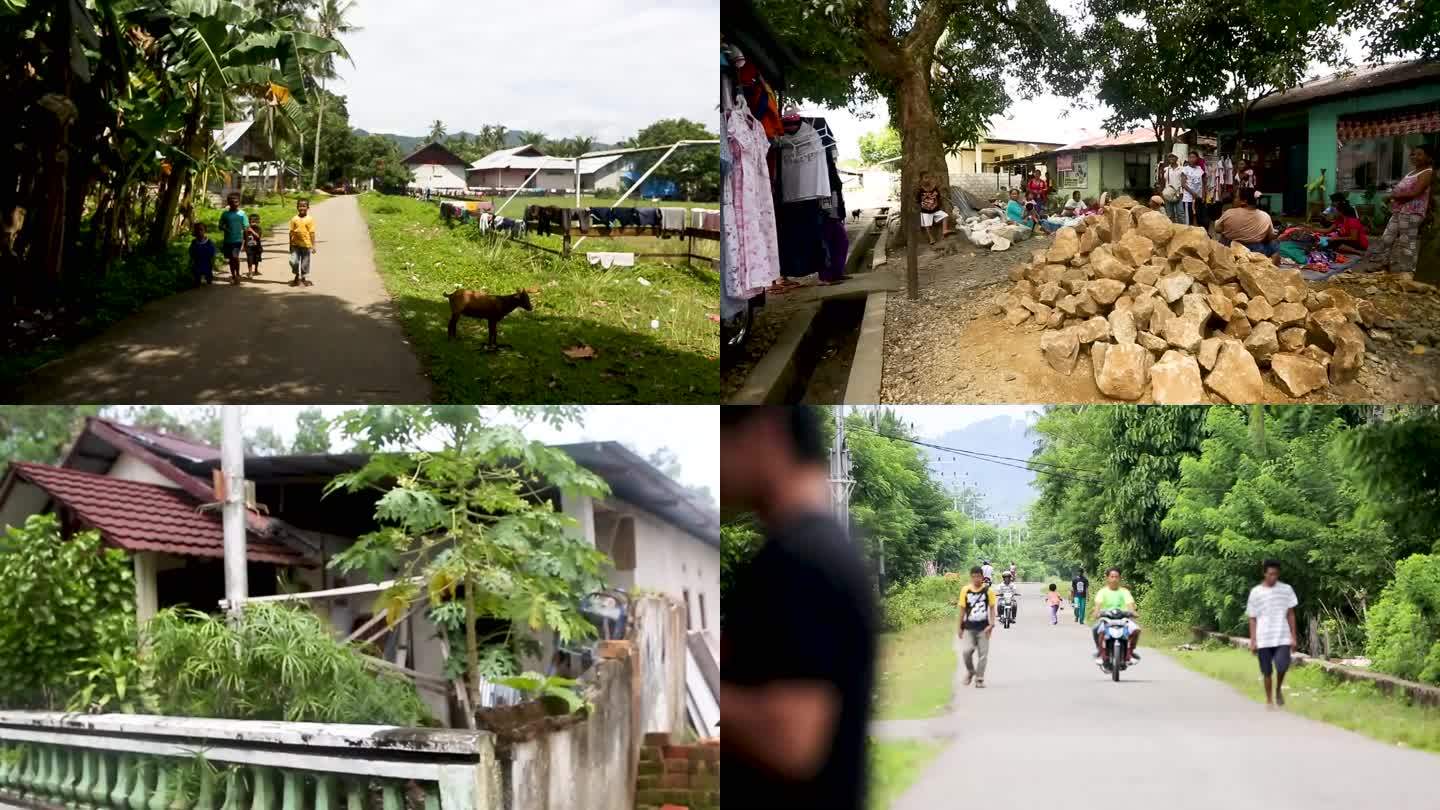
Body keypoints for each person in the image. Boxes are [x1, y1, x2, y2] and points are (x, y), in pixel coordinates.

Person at [720, 406, 877, 810]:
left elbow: (791, 739)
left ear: (763, 431)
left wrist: (710, 692)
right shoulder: (822, 545)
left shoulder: (801, 557)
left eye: (723, 434)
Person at [1359, 143, 1433, 274]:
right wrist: (1394, 197)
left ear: (1429, 157)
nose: (1415, 157)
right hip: (1400, 211)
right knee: (1387, 238)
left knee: (1406, 242)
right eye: (1414, 154)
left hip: (1412, 212)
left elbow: (1416, 192)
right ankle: (1384, 264)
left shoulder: (1427, 172)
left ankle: (1408, 271)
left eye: (1419, 154)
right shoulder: (1412, 172)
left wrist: (1392, 196)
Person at [1247, 560, 1298, 709]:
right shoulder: (1256, 592)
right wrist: (1253, 640)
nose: (1273, 577)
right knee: (1267, 671)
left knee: (1282, 666)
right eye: (1270, 574)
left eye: (1276, 574)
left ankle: (1278, 690)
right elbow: (1252, 618)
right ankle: (1269, 699)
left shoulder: (1286, 590)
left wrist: (1293, 637)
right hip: (1263, 638)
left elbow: (1291, 614)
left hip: (1282, 636)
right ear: (1264, 573)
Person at [958, 566, 997, 688]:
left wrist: (991, 624)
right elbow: (962, 610)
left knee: (983, 655)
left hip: (983, 628)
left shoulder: (988, 591)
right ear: (971, 577)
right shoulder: (965, 590)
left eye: (978, 576)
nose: (976, 579)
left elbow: (992, 608)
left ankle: (979, 679)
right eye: (973, 576)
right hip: (969, 628)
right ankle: (970, 671)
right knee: (966, 652)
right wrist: (959, 627)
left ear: (982, 577)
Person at [1092, 567, 1140, 663]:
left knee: (1136, 630)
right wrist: (1096, 613)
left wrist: (1133, 612)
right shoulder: (1102, 592)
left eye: (1116, 577)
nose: (1114, 579)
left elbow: (1130, 605)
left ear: (1120, 578)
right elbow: (1097, 606)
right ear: (1107, 578)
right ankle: (1101, 652)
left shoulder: (1125, 592)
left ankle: (1130, 652)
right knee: (1096, 629)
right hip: (1106, 619)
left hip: (1123, 618)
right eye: (1112, 576)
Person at [1214, 190, 1274, 255]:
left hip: (1231, 250)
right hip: (1256, 252)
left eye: (1236, 197)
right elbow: (1270, 236)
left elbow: (1217, 229)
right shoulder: (1266, 216)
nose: (1233, 200)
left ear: (1244, 202)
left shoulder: (1229, 213)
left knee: (1222, 238)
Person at [217, 192, 248, 285]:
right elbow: (220, 226)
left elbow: (246, 227)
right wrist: (225, 228)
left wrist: (245, 241)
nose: (234, 204)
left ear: (239, 202)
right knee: (231, 259)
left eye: (236, 202)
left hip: (238, 240)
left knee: (235, 257)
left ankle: (237, 274)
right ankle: (233, 275)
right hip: (228, 240)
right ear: (228, 203)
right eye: (232, 202)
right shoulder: (225, 214)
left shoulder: (242, 214)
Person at [288, 199, 318, 287]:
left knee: (305, 262)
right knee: (293, 261)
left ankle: (303, 277)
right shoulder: (294, 219)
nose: (302, 208)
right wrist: (290, 244)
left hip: (306, 245)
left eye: (304, 206)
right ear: (297, 207)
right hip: (295, 245)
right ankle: (296, 274)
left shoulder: (310, 219)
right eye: (300, 206)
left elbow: (312, 233)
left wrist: (313, 245)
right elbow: (291, 232)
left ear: (308, 208)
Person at [915, 171, 951, 244]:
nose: (928, 179)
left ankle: (944, 230)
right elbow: (918, 201)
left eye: (929, 177)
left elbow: (938, 197)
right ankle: (931, 238)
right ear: (921, 179)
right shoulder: (920, 190)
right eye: (925, 178)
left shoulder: (934, 188)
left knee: (945, 216)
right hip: (925, 211)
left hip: (935, 209)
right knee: (927, 225)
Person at [1180, 151, 1207, 228]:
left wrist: (1203, 196)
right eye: (1190, 157)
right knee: (1189, 218)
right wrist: (1192, 193)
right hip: (1188, 198)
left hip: (1199, 198)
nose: (1192, 159)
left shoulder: (1199, 169)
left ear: (1197, 158)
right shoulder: (1185, 169)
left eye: (1194, 157)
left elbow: (1203, 184)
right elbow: (1183, 184)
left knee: (1199, 217)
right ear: (1188, 159)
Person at [188, 222, 218, 286]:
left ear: (205, 231)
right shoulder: (194, 242)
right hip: (197, 263)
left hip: (207, 263)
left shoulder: (209, 242)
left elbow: (213, 253)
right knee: (197, 278)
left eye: (201, 230)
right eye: (197, 230)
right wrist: (191, 261)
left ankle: (208, 280)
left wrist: (213, 262)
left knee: (208, 277)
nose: (199, 232)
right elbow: (191, 252)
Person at [1161, 154, 1186, 224]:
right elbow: (1162, 181)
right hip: (1168, 193)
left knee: (1180, 214)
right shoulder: (1166, 169)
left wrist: (1182, 191)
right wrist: (1162, 192)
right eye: (1169, 157)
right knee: (1170, 214)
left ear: (1177, 158)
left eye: (1173, 156)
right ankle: (1172, 229)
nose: (1171, 158)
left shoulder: (1182, 169)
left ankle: (1181, 229)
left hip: (1179, 193)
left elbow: (1184, 181)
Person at [243, 213, 264, 277]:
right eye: (251, 221)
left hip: (257, 247)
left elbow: (258, 236)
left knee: (257, 258)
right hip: (249, 247)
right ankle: (250, 272)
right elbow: (244, 238)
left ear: (258, 222)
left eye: (255, 221)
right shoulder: (246, 229)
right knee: (249, 259)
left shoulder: (259, 228)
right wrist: (243, 246)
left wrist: (252, 231)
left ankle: (256, 270)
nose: (253, 223)